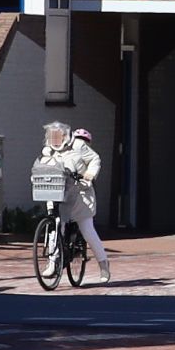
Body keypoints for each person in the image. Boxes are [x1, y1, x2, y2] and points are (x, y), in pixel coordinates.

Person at [41, 121, 110, 284]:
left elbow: (94, 159)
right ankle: (52, 262)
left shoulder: (78, 146)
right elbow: (42, 165)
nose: (55, 140)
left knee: (87, 229)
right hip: (58, 192)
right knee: (55, 226)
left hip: (80, 193)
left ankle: (104, 264)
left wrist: (89, 175)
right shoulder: (49, 150)